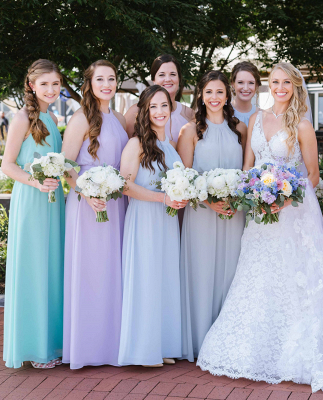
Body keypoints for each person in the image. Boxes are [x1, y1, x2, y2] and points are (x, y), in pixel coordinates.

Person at [196, 62, 323, 392]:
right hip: (259, 214)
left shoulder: (303, 125)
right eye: (274, 82)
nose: (279, 87)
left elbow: (314, 176)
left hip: (292, 213)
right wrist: (251, 193)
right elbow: (249, 167)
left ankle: (293, 351)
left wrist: (284, 198)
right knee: (259, 276)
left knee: (292, 280)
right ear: (268, 85)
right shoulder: (256, 119)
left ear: (295, 86)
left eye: (285, 82)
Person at [61, 60, 129, 369]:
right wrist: (87, 193)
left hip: (115, 202)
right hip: (88, 204)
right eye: (100, 79)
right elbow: (66, 166)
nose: (106, 84)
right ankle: (87, 348)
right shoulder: (81, 118)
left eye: (111, 78)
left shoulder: (116, 117)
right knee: (91, 273)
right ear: (89, 84)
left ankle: (112, 344)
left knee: (112, 272)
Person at [177, 71, 247, 361]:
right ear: (201, 96)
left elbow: (246, 172)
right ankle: (199, 342)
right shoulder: (190, 131)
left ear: (228, 95)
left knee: (231, 272)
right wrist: (209, 201)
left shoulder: (240, 129)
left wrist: (234, 198)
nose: (215, 98)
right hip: (201, 214)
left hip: (234, 213)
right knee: (202, 271)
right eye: (209, 92)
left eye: (220, 92)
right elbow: (184, 177)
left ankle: (227, 341)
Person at [118, 85, 187, 367]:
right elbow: (124, 185)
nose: (159, 111)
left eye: (164, 106)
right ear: (145, 111)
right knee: (146, 277)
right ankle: (144, 349)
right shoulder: (136, 144)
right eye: (153, 106)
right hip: (145, 218)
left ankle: (163, 345)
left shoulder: (170, 146)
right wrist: (163, 198)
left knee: (165, 278)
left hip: (167, 221)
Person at [2, 59, 65, 369]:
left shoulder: (51, 116)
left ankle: (52, 342)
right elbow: (7, 165)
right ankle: (34, 347)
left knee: (52, 268)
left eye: (55, 84)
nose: (51, 90)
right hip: (32, 200)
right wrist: (35, 181)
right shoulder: (21, 118)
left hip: (55, 202)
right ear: (31, 85)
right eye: (45, 84)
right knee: (34, 269)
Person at [125, 54, 194, 140]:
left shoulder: (189, 114)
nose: (168, 79)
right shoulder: (136, 112)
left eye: (172, 74)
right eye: (162, 75)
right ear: (154, 80)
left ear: (179, 79)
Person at [230, 61, 261, 127]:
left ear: (257, 85)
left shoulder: (262, 115)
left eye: (251, 83)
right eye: (240, 82)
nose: (246, 88)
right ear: (233, 84)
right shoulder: (223, 114)